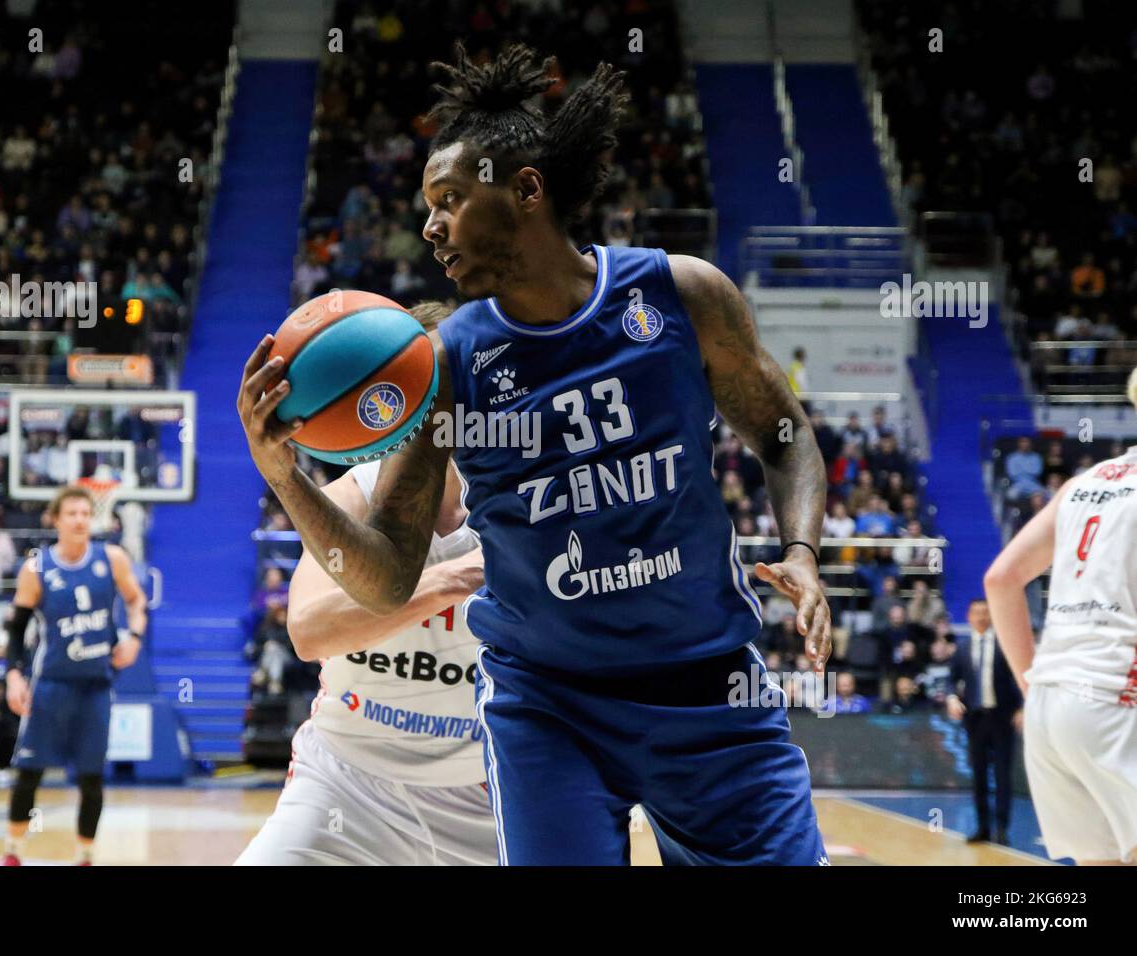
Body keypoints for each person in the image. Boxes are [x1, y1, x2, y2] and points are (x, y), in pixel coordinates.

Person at [238, 43, 830, 866]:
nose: (430, 224)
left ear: (525, 189)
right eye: (427, 206)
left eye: (449, 199)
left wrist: (801, 551)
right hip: (547, 704)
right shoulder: (445, 362)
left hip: (706, 683)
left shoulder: (682, 294)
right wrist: (284, 476)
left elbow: (784, 437)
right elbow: (386, 576)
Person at [238, 304, 496, 865]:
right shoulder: (348, 498)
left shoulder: (521, 499)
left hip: (487, 791)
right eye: (422, 384)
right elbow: (308, 632)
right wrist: (456, 578)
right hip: (348, 781)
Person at [984, 370, 1137, 865]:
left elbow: (1001, 580)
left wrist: (1034, 684)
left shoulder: (1082, 484)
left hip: (1052, 707)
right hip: (1116, 697)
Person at [1, 486, 146, 866]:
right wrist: (13, 677)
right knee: (29, 772)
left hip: (96, 686)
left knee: (91, 777)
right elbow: (15, 631)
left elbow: (136, 600)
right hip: (50, 684)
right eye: (72, 513)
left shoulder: (111, 559)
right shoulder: (37, 568)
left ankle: (85, 856)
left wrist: (134, 636)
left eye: (85, 513)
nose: (81, 519)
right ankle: (13, 852)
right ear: (56, 520)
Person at [946, 599, 1022, 846]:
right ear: (969, 616)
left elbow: (1020, 676)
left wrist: (1022, 707)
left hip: (1002, 717)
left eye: (985, 612)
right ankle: (982, 828)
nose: (980, 617)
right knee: (978, 775)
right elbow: (951, 678)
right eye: (976, 612)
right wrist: (951, 698)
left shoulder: (1004, 644)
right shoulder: (963, 647)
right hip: (976, 719)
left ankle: (1002, 828)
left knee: (1002, 775)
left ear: (992, 616)